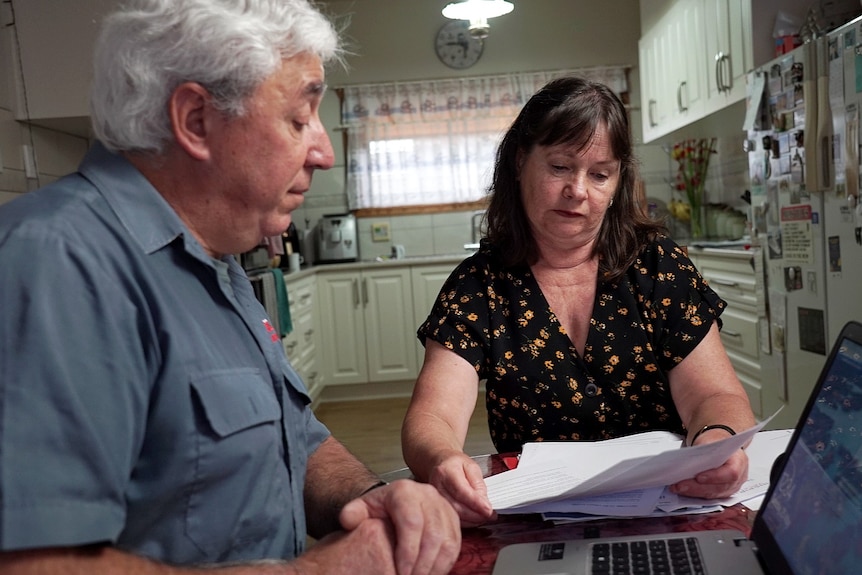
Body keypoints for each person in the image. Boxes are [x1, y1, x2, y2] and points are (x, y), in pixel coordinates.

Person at [0, 1, 460, 573]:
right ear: (196, 120)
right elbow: (31, 564)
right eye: (299, 118)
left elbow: (293, 440)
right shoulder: (56, 262)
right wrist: (312, 573)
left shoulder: (214, 256)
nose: (324, 151)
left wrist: (369, 498)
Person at [401, 76, 756, 526]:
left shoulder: (657, 267)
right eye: (560, 167)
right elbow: (433, 416)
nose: (579, 191)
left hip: (667, 509)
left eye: (600, 174)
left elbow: (715, 393)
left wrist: (716, 440)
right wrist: (442, 460)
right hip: (541, 521)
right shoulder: (479, 286)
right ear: (519, 163)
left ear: (617, 181)